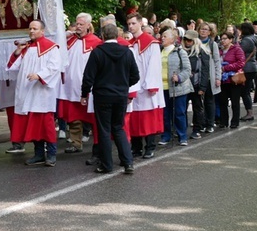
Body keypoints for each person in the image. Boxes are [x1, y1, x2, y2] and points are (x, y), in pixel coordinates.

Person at [81, 24, 140, 174]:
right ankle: (128, 162)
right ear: (117, 36)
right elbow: (135, 76)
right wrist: (124, 85)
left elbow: (88, 77)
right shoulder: (127, 52)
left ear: (103, 36)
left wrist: (84, 94)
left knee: (104, 130)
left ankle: (107, 165)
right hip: (120, 95)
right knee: (118, 128)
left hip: (102, 95)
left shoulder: (97, 52)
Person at [5, 20, 62, 167]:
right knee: (34, 125)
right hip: (27, 91)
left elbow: (54, 67)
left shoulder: (51, 47)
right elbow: (12, 67)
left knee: (46, 125)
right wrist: (17, 51)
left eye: (35, 28)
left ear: (42, 31)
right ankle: (38, 154)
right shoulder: (26, 48)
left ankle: (51, 154)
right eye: (30, 28)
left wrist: (39, 75)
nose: (31, 31)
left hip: (42, 93)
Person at [58, 13, 102, 155]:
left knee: (93, 115)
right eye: (77, 24)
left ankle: (99, 143)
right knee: (74, 116)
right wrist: (64, 37)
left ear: (88, 25)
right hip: (70, 85)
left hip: (89, 85)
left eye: (81, 24)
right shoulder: (69, 41)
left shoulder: (95, 42)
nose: (78, 26)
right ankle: (76, 143)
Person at [126, 13, 165, 159]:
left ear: (140, 24)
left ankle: (150, 147)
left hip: (147, 86)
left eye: (133, 23)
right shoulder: (130, 43)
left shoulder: (151, 43)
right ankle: (136, 148)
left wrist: (151, 85)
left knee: (148, 119)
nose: (131, 26)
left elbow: (154, 65)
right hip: (134, 86)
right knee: (135, 118)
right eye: (129, 24)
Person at [158, 28, 192, 146]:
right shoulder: (159, 51)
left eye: (165, 36)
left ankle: (182, 136)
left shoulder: (180, 52)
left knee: (179, 112)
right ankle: (166, 135)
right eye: (162, 36)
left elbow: (187, 70)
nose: (162, 38)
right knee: (165, 113)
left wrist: (179, 77)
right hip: (163, 87)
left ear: (173, 39)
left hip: (178, 88)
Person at [183, 30, 210, 140]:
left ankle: (197, 129)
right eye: (185, 40)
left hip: (196, 84)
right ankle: (182, 129)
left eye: (189, 40)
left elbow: (205, 71)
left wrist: (203, 87)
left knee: (197, 107)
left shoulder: (202, 52)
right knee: (182, 108)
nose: (187, 42)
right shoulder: (181, 51)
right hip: (184, 84)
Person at [218, 31, 246, 129]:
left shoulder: (237, 49)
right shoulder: (220, 51)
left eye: (225, 38)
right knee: (223, 102)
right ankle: (223, 121)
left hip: (234, 79)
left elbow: (241, 63)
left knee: (235, 102)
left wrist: (226, 68)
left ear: (231, 39)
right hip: (223, 80)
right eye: (221, 39)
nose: (223, 41)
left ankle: (235, 121)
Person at [197, 22, 222, 132]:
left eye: (206, 29)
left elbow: (217, 62)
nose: (203, 31)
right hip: (198, 77)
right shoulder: (195, 42)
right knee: (198, 103)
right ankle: (201, 123)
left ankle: (210, 124)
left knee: (209, 101)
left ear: (210, 32)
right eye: (202, 29)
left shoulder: (213, 44)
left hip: (209, 78)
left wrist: (218, 77)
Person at [238, 22, 257, 122]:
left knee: (245, 92)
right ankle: (249, 112)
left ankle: (249, 113)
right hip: (253, 67)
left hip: (247, 68)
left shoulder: (246, 40)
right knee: (246, 90)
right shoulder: (254, 38)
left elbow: (239, 52)